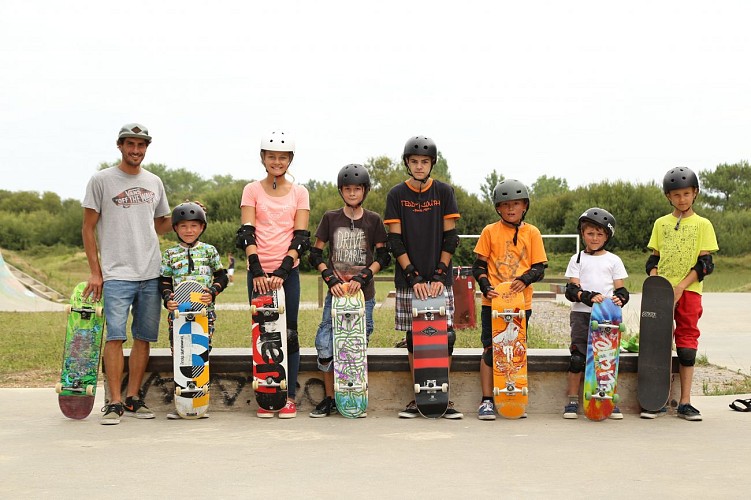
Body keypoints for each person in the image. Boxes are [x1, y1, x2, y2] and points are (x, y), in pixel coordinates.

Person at [82, 123, 171, 425]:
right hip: (116, 273)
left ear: (147, 148)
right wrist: (96, 272)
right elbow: (87, 228)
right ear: (119, 146)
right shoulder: (102, 180)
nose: (136, 150)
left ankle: (133, 397)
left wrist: (188, 212)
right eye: (130, 145)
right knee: (116, 337)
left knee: (143, 337)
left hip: (150, 271)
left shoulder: (155, 181)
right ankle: (114, 402)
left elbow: (157, 224)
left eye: (141, 145)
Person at [385, 136, 463, 419]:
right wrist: (414, 278)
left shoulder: (444, 192)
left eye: (424, 162)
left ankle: (443, 397)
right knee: (415, 338)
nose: (419, 166)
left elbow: (451, 236)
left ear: (432, 164)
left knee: (446, 337)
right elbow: (394, 242)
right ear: (407, 163)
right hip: (410, 281)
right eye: (414, 161)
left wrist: (440, 275)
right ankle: (417, 398)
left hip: (439, 278)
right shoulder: (396, 195)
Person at [237, 130, 310, 419]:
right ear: (263, 159)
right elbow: (247, 232)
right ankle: (268, 393)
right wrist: (257, 270)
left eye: (282, 157)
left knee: (289, 333)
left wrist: (282, 270)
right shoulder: (251, 190)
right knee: (263, 333)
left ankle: (288, 395)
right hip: (257, 273)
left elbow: (301, 236)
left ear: (290, 159)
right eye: (271, 157)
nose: (276, 162)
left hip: (287, 273)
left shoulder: (299, 191)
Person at [308, 164, 390, 417]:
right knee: (327, 345)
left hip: (362, 297)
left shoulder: (373, 219)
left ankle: (355, 394)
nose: (352, 193)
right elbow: (315, 253)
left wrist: (365, 275)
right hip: (337, 295)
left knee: (354, 347)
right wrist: (330, 278)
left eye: (357, 189)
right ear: (341, 191)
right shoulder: (331, 218)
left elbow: (384, 256)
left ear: (364, 191)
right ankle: (331, 398)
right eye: (348, 189)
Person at [643, 167, 718, 421]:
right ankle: (658, 400)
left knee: (686, 346)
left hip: (689, 291)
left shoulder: (702, 224)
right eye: (676, 195)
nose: (682, 199)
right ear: (668, 196)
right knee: (658, 345)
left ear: (695, 193)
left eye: (686, 193)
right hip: (662, 292)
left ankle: (685, 402)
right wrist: (656, 282)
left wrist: (681, 286)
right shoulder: (660, 224)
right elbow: (653, 260)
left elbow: (705, 265)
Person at [471, 179, 548, 420]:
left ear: (524, 205)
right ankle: (486, 400)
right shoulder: (489, 231)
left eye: (516, 204)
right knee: (490, 350)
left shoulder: (532, 232)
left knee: (514, 349)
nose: (511, 209)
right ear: (498, 208)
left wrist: (525, 279)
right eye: (505, 205)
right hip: (493, 303)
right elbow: (478, 265)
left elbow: (540, 267)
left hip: (520, 304)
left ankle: (511, 396)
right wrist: (485, 286)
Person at [158, 202, 228, 419]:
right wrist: (167, 299)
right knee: (180, 353)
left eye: (194, 226)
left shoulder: (209, 251)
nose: (189, 230)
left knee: (200, 352)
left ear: (202, 227)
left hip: (204, 313)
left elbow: (222, 276)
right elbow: (164, 281)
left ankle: (199, 400)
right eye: (183, 226)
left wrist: (214, 291)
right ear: (176, 228)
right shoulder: (170, 254)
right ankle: (182, 402)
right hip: (178, 314)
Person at [562, 208, 628, 419]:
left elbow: (620, 289)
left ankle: (608, 398)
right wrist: (586, 296)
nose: (595, 238)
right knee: (578, 359)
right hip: (582, 314)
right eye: (590, 233)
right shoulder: (577, 259)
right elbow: (571, 290)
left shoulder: (613, 260)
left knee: (607, 359)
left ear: (607, 236)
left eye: (600, 234)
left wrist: (621, 298)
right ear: (583, 234)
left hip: (606, 317)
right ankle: (572, 400)